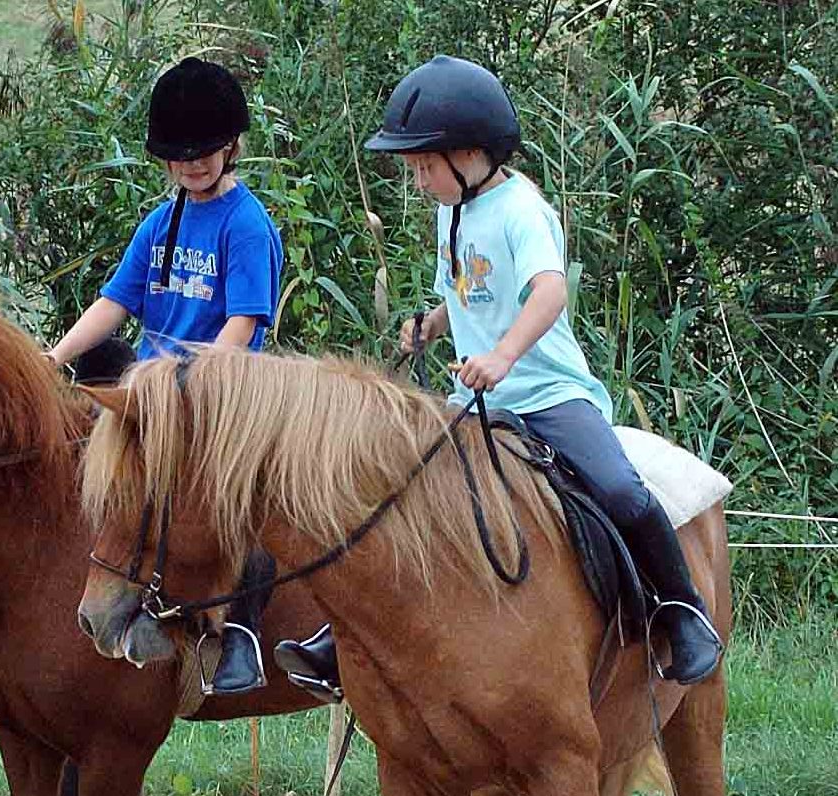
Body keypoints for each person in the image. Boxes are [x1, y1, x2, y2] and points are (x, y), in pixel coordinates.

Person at [276, 55, 722, 693]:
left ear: (469, 154)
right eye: (413, 169)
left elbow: (547, 293)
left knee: (620, 490)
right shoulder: (450, 211)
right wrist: (430, 325)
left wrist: (504, 356)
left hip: (549, 395)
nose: (418, 180)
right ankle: (345, 638)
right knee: (392, 493)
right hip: (471, 397)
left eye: (424, 166)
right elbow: (463, 295)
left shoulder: (521, 211)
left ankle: (681, 612)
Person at [47, 56, 284, 694]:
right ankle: (122, 603)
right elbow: (115, 303)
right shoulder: (162, 223)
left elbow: (242, 326)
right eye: (179, 156)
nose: (192, 165)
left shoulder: (246, 226)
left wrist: (187, 382)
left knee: (240, 502)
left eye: (204, 152)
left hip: (220, 394)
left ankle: (242, 633)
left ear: (230, 147)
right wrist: (55, 358)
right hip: (153, 394)